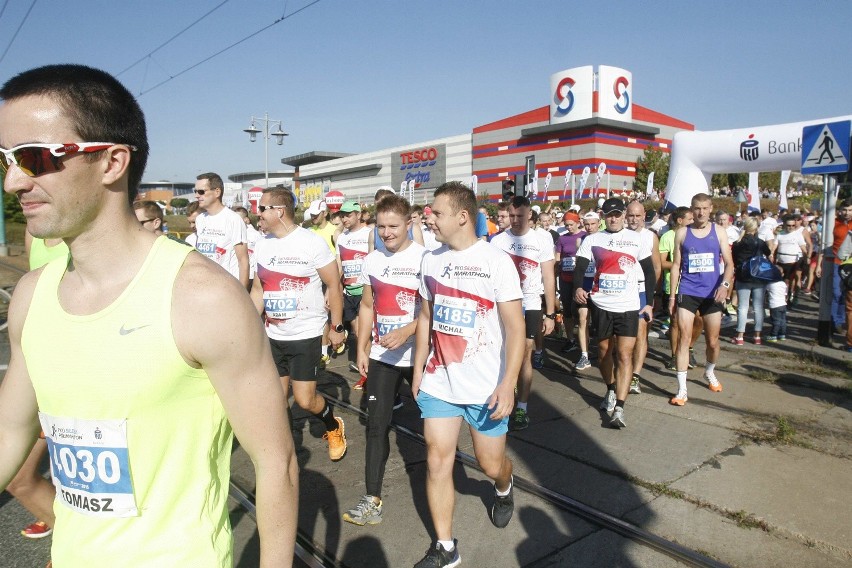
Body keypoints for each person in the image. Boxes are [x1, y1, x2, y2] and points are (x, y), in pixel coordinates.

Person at [0, 63, 297, 567]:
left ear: (113, 161)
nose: (12, 182)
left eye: (33, 158)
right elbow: (10, 430)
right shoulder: (31, 296)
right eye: (5, 159)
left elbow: (276, 464)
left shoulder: (203, 299)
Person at [412, 181, 525, 568]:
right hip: (439, 382)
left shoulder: (496, 261)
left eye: (436, 212)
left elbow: (516, 328)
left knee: (490, 463)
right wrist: (417, 371)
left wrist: (508, 383)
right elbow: (425, 317)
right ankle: (446, 548)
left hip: (486, 386)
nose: (430, 218)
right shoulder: (430, 260)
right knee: (436, 460)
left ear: (462, 216)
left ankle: (504, 485)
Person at [344, 195, 426, 526]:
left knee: (435, 430)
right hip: (383, 356)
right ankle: (372, 499)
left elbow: (434, 312)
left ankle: (443, 483)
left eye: (393, 226)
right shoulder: (373, 260)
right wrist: (362, 347)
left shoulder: (425, 259)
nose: (387, 233)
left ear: (409, 223)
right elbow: (366, 306)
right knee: (376, 426)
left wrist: (407, 331)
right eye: (381, 227)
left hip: (420, 355)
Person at [6, 232, 69, 542]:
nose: (16, 185)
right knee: (21, 478)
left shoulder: (82, 240)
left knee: (24, 478)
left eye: (36, 177)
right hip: (39, 370)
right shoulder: (33, 236)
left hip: (70, 373)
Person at [574, 198, 655, 428]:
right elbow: (580, 265)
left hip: (628, 306)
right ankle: (610, 388)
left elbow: (649, 272)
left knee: (624, 355)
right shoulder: (592, 239)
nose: (614, 218)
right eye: (609, 214)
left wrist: (648, 303)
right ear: (603, 216)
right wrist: (579, 287)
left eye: (618, 214)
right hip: (601, 304)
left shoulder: (636, 239)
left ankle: (619, 407)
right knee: (603, 353)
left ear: (623, 215)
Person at [489, 195, 556, 430]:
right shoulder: (497, 242)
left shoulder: (542, 239)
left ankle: (522, 408)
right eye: (512, 216)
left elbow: (548, 276)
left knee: (526, 351)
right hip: (505, 303)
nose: (515, 220)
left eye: (520, 216)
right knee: (503, 351)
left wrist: (550, 313)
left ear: (530, 215)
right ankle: (503, 394)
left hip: (531, 304)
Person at [668, 193, 734, 406]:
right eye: (697, 208)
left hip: (712, 293)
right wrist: (672, 294)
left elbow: (730, 264)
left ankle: (709, 371)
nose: (701, 212)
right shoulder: (682, 233)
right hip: (687, 290)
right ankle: (682, 390)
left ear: (711, 208)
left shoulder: (719, 231)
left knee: (712, 342)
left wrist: (724, 286)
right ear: (692, 209)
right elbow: (677, 265)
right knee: (683, 339)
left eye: (705, 208)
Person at [625, 201, 660, 394]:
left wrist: (651, 297)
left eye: (638, 216)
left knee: (640, 334)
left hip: (641, 291)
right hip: (622, 291)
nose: (634, 220)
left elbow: (655, 268)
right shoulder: (619, 234)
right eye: (631, 215)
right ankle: (623, 367)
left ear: (643, 215)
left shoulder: (650, 237)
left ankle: (635, 376)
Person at [194, 172, 250, 289]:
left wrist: (242, 295)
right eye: (195, 191)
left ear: (217, 192)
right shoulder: (200, 219)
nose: (197, 196)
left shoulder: (233, 219)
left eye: (201, 192)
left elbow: (243, 260)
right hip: (204, 287)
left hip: (227, 289)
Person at [337, 200, 371, 389]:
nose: (344, 218)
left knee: (362, 333)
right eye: (342, 215)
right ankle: (367, 369)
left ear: (358, 214)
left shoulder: (369, 233)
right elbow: (339, 264)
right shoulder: (341, 237)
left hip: (365, 291)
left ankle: (368, 373)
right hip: (349, 291)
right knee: (359, 334)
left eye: (348, 214)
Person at [730, 217, 771, 345]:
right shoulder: (760, 242)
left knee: (743, 306)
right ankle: (757, 335)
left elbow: (734, 259)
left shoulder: (738, 243)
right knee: (758, 306)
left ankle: (740, 336)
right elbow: (768, 252)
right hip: (758, 276)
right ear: (756, 228)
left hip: (743, 276)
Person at [554, 212, 584, 353]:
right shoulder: (562, 238)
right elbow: (557, 258)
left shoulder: (585, 236)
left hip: (581, 280)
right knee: (567, 310)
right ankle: (570, 339)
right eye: (566, 225)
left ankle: (585, 339)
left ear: (578, 223)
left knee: (580, 311)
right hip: (565, 279)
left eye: (571, 224)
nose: (569, 227)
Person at [574, 211, 601, 370]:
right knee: (582, 317)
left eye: (593, 224)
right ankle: (584, 355)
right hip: (585, 283)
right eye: (587, 224)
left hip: (600, 286)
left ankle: (604, 351)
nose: (590, 227)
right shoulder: (580, 241)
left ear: (598, 223)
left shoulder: (605, 239)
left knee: (600, 323)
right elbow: (579, 266)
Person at [773, 215, 808, 305]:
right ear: (785, 225)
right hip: (780, 261)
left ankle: (791, 298)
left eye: (793, 226)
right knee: (781, 281)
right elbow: (774, 247)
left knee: (790, 281)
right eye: (789, 225)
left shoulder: (798, 235)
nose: (791, 227)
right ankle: (782, 298)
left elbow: (803, 248)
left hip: (793, 262)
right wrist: (771, 254)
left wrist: (806, 258)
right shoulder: (780, 234)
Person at [831, 200, 852, 335]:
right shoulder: (833, 223)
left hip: (850, 265)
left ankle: (843, 320)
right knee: (836, 292)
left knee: (847, 295)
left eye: (850, 210)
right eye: (844, 210)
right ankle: (835, 322)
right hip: (836, 262)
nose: (847, 213)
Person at [233, 205, 261, 286]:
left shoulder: (255, 235)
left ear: (246, 219)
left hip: (250, 275)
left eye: (238, 219)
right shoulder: (231, 233)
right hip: (234, 274)